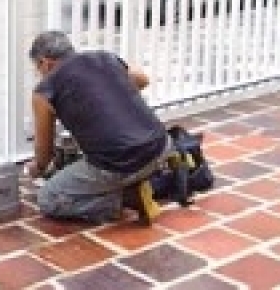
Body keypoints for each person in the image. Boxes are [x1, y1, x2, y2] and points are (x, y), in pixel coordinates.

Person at [26, 30, 173, 224]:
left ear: (45, 63)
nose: (39, 74)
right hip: (162, 146)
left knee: (49, 198)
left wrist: (36, 169)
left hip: (121, 163)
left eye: (38, 68)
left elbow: (44, 156)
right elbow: (142, 80)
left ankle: (126, 198)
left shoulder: (44, 91)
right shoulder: (105, 58)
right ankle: (139, 182)